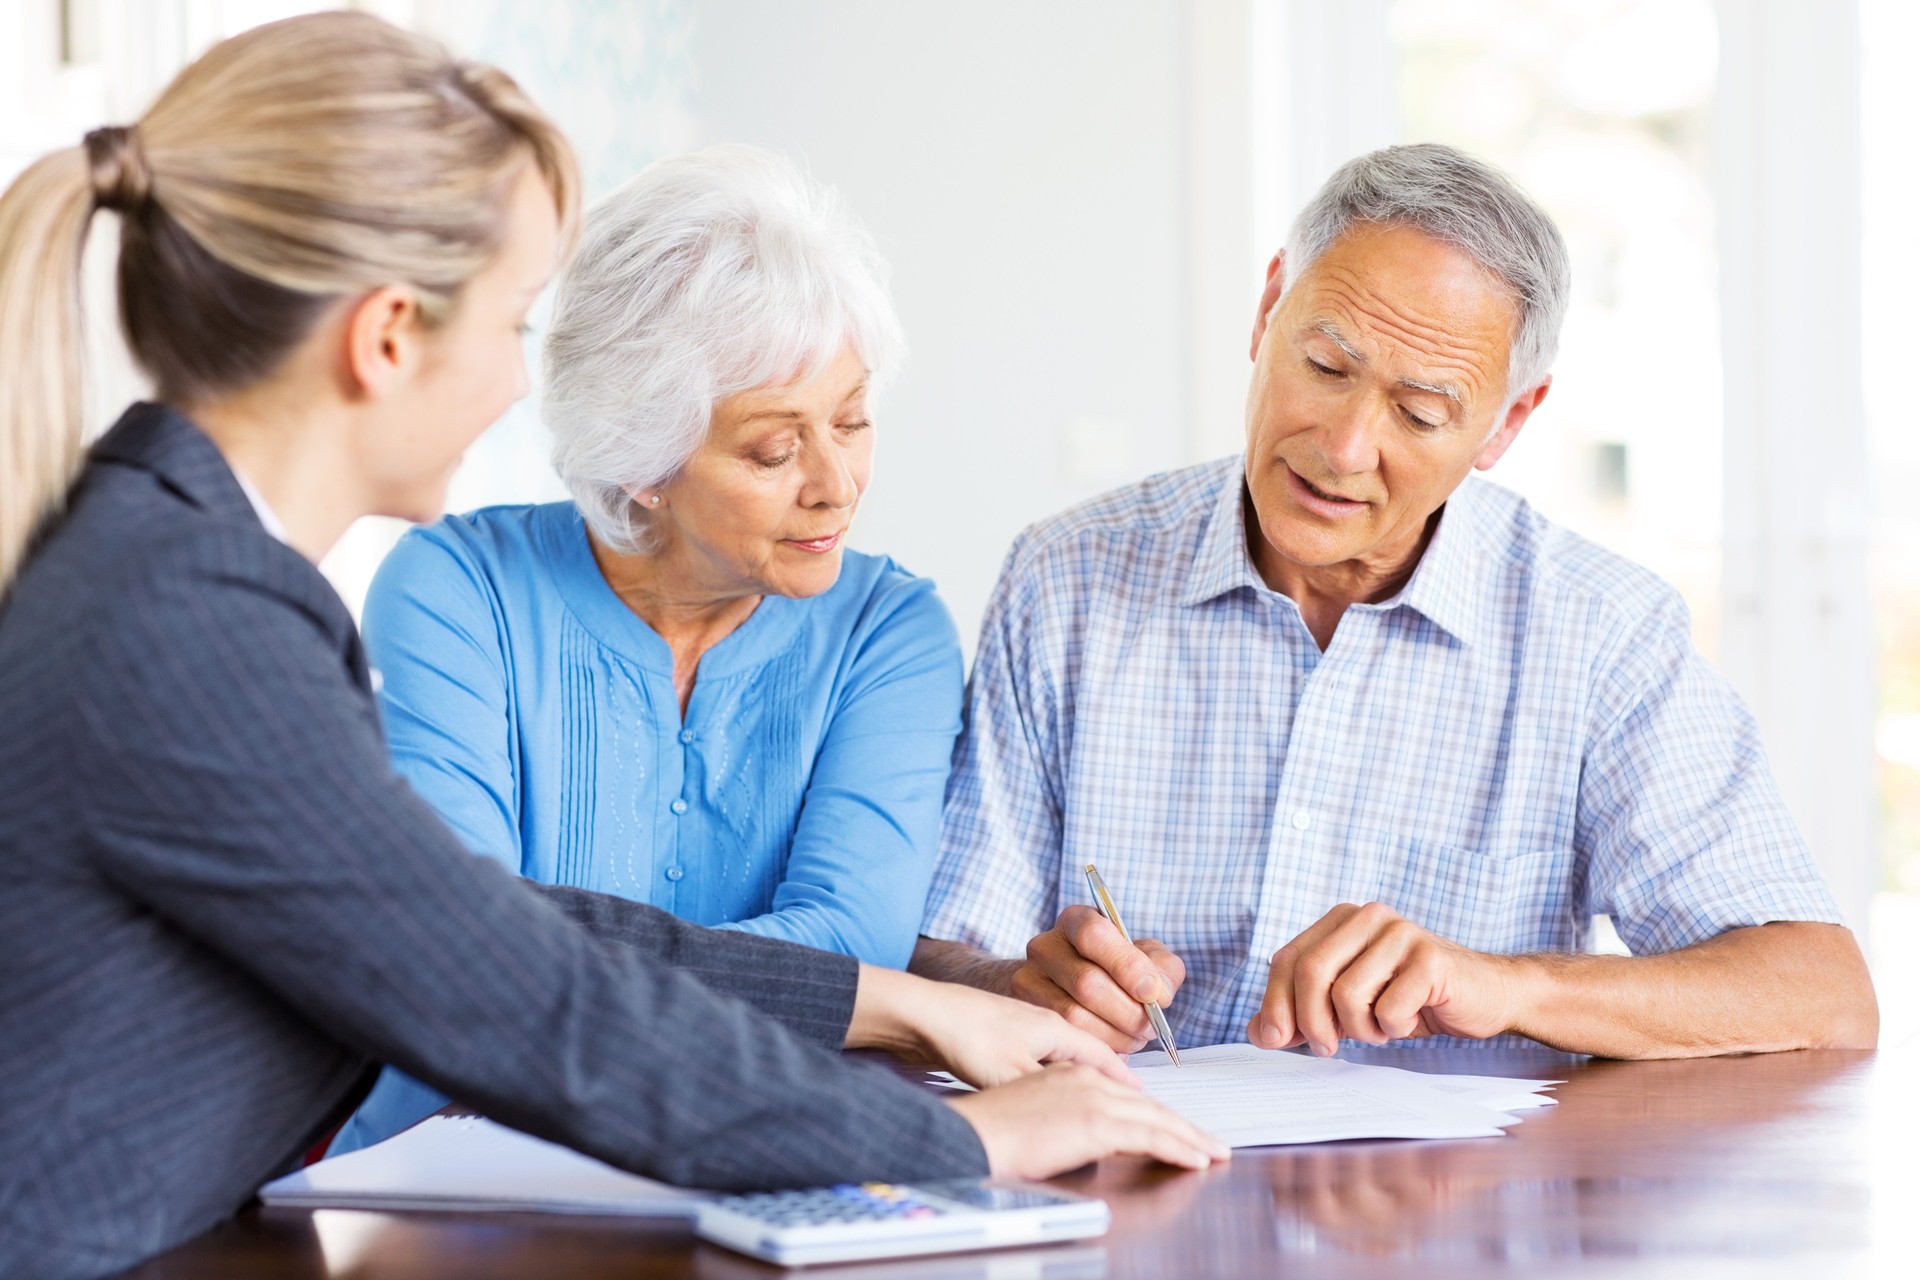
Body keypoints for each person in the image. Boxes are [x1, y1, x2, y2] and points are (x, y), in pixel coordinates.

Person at [0, 15, 1223, 1280]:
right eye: (514, 326)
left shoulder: (187, 576)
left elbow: (486, 922)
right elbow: (508, 991)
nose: (519, 385)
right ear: (383, 335)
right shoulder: (192, 623)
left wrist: (910, 1002)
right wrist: (951, 1139)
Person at [912, 143, 1878, 1062]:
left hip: (1450, 1217)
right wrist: (1017, 985)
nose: (1342, 448)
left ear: (1507, 422)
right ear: (1266, 312)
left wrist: (1510, 988)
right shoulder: (1068, 580)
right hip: (1133, 1176)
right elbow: (935, 952)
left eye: (1419, 414)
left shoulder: (1598, 631)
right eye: (1325, 368)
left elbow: (1820, 995)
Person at [331, 146, 966, 1154]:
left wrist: (551, 955)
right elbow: (469, 947)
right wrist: (839, 991)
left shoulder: (887, 630)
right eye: (774, 448)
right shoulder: (459, 588)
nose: (837, 482)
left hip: (757, 1163)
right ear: (643, 463)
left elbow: (853, 937)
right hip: (447, 1169)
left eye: (852, 420)